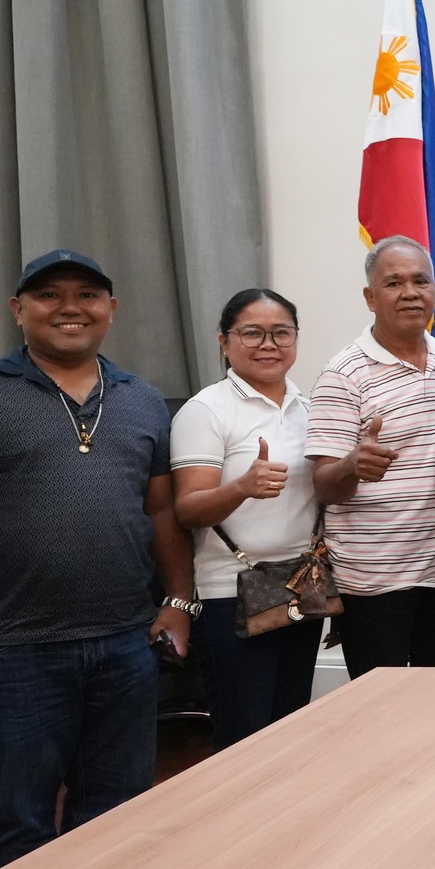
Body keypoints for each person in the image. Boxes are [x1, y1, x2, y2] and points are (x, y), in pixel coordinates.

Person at [0, 249, 193, 869]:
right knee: (14, 827)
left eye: (87, 294)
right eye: (49, 295)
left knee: (117, 820)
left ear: (111, 309)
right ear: (18, 309)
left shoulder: (143, 400)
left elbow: (161, 513)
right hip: (11, 652)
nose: (70, 307)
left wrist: (179, 601)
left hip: (123, 647)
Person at [171, 289, 321, 749]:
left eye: (281, 333)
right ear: (224, 341)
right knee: (245, 736)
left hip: (300, 583)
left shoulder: (308, 406)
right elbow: (187, 508)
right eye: (252, 333)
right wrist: (241, 488)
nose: (268, 344)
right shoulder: (207, 410)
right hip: (231, 592)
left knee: (290, 725)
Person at [306, 236, 435, 677]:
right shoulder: (343, 374)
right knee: (378, 707)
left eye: (420, 281)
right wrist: (353, 465)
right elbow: (324, 484)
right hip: (373, 578)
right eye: (393, 283)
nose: (409, 292)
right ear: (370, 297)